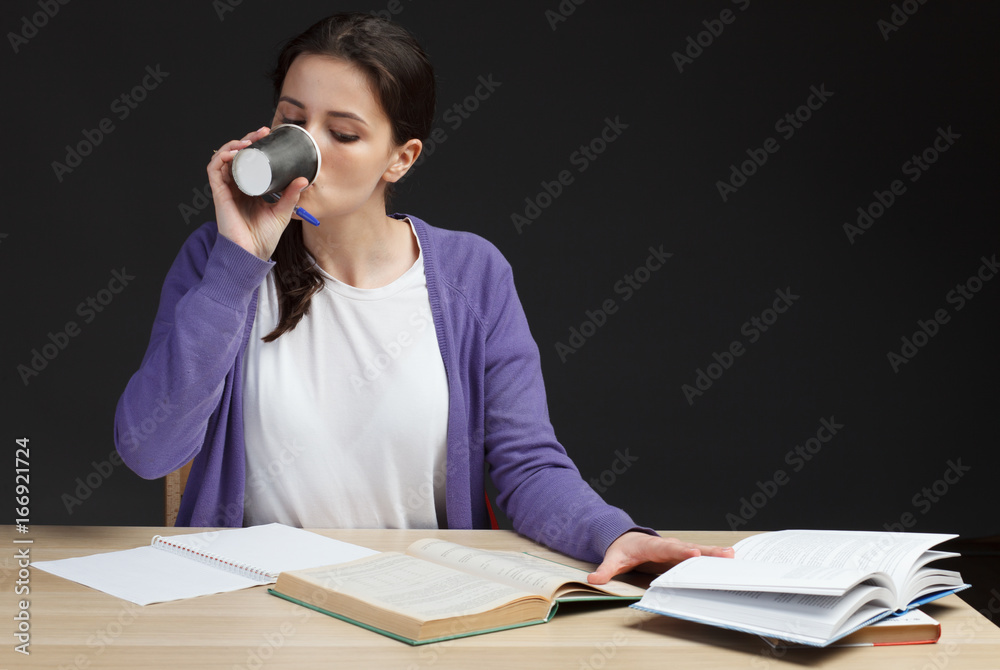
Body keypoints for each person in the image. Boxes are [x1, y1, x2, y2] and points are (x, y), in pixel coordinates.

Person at [114, 12, 733, 584]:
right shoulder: (219, 259)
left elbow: (527, 466)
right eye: (291, 121)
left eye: (344, 133)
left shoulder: (472, 274)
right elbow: (149, 449)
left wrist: (612, 534)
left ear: (400, 158)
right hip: (253, 605)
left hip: (421, 601)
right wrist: (238, 262)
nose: (307, 147)